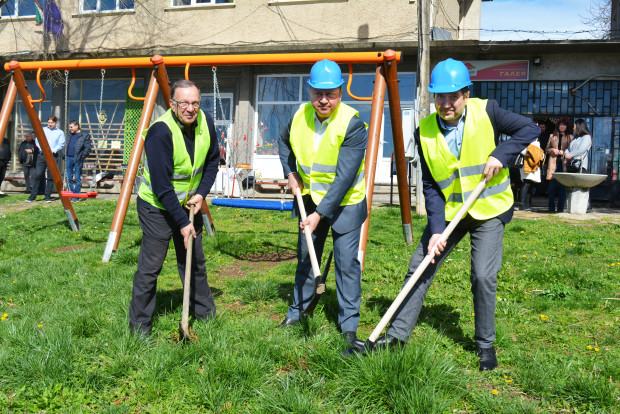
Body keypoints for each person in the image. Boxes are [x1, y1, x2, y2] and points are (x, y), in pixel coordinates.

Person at [348, 59, 539, 371]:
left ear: (465, 94)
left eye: (453, 96)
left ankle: (485, 346)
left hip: (489, 209)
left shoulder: (487, 111)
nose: (446, 103)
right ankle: (395, 336)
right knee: (419, 267)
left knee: (482, 276)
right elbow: (430, 185)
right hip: (450, 213)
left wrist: (500, 155)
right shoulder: (424, 131)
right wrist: (436, 228)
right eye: (440, 97)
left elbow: (529, 128)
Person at [277, 59, 368, 347]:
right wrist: (291, 173)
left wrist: (319, 214)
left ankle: (348, 326)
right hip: (309, 199)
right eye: (318, 93)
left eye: (331, 93)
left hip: (346, 204)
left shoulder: (352, 124)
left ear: (341, 92)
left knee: (346, 265)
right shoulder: (298, 115)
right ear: (310, 91)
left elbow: (343, 179)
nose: (324, 100)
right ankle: (298, 311)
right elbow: (283, 143)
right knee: (306, 258)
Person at [128, 79, 220, 336]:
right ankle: (139, 327)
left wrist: (201, 194)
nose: (190, 109)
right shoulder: (160, 132)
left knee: (194, 261)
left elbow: (213, 162)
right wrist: (182, 222)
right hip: (156, 207)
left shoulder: (206, 122)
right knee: (151, 267)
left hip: (189, 204)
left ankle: (205, 315)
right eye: (184, 103)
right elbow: (161, 185)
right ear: (172, 104)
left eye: (195, 103)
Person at [26, 115, 65, 202]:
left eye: (52, 122)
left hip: (53, 156)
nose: (50, 124)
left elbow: (61, 144)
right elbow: (38, 140)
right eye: (49, 122)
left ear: (55, 123)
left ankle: (47, 196)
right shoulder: (43, 130)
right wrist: (42, 148)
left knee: (51, 177)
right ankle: (33, 196)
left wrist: (54, 150)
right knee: (37, 175)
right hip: (42, 155)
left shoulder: (60, 132)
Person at [545, 118, 573, 213]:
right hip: (553, 163)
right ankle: (551, 208)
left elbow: (572, 151)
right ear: (558, 126)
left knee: (562, 187)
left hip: (563, 164)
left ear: (567, 126)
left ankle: (560, 209)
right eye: (561, 125)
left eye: (564, 125)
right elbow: (547, 149)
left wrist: (561, 152)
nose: (562, 126)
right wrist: (552, 150)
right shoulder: (552, 136)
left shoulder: (570, 137)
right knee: (552, 187)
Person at [64, 120, 92, 198]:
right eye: (69, 127)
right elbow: (66, 145)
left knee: (77, 178)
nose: (70, 129)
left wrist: (81, 157)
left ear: (77, 126)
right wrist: (64, 154)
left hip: (78, 158)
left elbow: (88, 148)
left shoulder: (84, 135)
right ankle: (72, 193)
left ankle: (76, 195)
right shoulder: (69, 135)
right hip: (69, 158)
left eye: (71, 127)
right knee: (69, 178)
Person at [517, 139, 544, 211]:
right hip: (526, 164)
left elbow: (541, 153)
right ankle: (522, 204)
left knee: (530, 185)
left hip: (534, 166)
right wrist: (533, 153)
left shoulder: (536, 141)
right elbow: (522, 150)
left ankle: (527, 204)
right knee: (526, 184)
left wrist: (537, 154)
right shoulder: (525, 139)